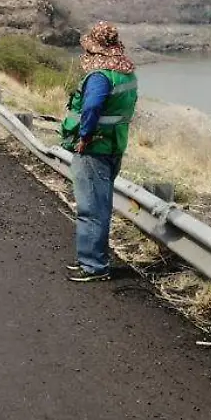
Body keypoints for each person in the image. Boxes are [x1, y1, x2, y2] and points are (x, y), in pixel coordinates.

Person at [60, 21, 138, 283]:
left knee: (91, 208)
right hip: (114, 146)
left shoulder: (100, 76)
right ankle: (92, 259)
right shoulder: (126, 72)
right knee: (100, 206)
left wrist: (84, 136)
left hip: (94, 148)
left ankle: (94, 265)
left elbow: (91, 107)